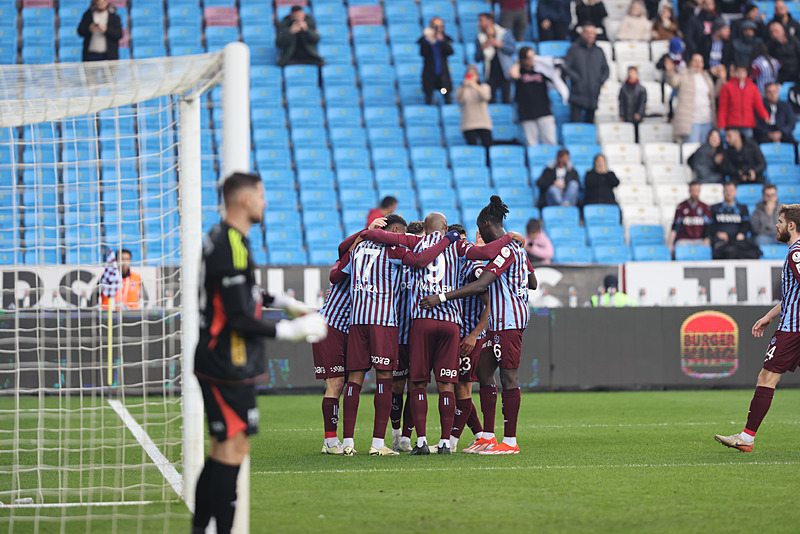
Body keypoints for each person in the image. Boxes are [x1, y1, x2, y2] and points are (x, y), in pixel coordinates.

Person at [192, 172, 327, 534]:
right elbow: (236, 314)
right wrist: (289, 330)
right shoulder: (229, 243)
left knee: (226, 451)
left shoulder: (226, 239)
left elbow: (246, 291)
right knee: (231, 453)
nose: (266, 203)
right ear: (244, 200)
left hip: (226, 359)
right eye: (262, 195)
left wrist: (284, 302)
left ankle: (203, 528)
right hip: (226, 359)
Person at [360, 214, 525, 455]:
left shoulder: (415, 242)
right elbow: (485, 255)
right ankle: (447, 442)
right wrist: (508, 238)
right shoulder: (458, 244)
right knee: (447, 383)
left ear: (424, 229)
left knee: (417, 383)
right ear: (446, 228)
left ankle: (421, 441)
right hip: (450, 322)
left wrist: (369, 229)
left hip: (422, 318)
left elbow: (374, 235)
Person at [420, 196, 537, 455]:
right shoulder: (515, 249)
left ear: (486, 223)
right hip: (498, 322)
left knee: (508, 377)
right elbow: (533, 282)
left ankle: (510, 442)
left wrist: (440, 297)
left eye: (480, 227)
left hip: (509, 320)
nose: (480, 233)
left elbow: (481, 284)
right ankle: (486, 435)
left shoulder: (506, 249)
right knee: (484, 372)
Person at [336, 214, 459, 456]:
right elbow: (422, 259)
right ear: (393, 231)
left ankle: (348, 442)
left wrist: (366, 230)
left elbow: (335, 274)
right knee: (386, 378)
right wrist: (447, 240)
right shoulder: (394, 252)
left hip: (356, 321)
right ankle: (377, 444)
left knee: (354, 379)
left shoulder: (358, 249)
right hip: (383, 322)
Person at [714, 204, 800, 452]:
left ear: (791, 226)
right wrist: (769, 316)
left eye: (781, 221)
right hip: (789, 325)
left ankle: (747, 438)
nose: (777, 225)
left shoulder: (796, 253)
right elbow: (793, 296)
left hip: (792, 331)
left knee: (767, 377)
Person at [448, 225, 490, 452]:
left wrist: (474, 335)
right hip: (456, 335)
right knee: (457, 388)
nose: (461, 245)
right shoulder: (452, 266)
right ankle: (481, 435)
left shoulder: (474, 267)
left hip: (469, 337)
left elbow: (489, 305)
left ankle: (451, 442)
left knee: (463, 387)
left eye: (464, 241)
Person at [389, 219, 424, 453]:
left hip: (420, 336)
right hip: (398, 335)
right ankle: (395, 432)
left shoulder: (429, 265)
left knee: (416, 385)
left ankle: (407, 438)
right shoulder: (396, 260)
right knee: (397, 386)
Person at [665, 53, 722, 142]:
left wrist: (721, 80)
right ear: (691, 63)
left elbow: (714, 94)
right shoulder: (684, 74)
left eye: (700, 62)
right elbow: (673, 81)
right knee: (692, 149)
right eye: (695, 61)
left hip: (707, 120)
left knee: (705, 151)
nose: (698, 64)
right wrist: (670, 71)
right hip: (692, 121)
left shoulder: (707, 77)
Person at [510, 47, 557, 146]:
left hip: (544, 111)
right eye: (528, 57)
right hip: (527, 113)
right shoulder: (520, 72)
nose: (532, 60)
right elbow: (513, 74)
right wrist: (519, 62)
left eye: (533, 57)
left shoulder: (540, 70)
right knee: (532, 144)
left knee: (550, 141)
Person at [563, 25, 610, 124]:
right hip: (577, 94)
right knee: (575, 124)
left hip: (593, 94)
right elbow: (566, 66)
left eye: (592, 33)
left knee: (590, 125)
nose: (590, 35)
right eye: (587, 33)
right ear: (582, 34)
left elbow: (606, 70)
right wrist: (577, 79)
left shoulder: (599, 51)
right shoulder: (574, 49)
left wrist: (599, 82)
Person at [709, 181, 762, 259]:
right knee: (727, 251)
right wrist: (717, 233)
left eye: (731, 190)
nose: (728, 193)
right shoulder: (715, 208)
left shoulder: (742, 208)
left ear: (735, 192)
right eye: (726, 190)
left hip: (737, 240)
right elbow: (710, 225)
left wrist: (742, 233)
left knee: (754, 250)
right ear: (723, 192)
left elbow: (746, 224)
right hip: (721, 241)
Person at [474, 13, 516, 104]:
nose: (479, 24)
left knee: (506, 100)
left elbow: (512, 49)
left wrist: (500, 45)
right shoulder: (480, 38)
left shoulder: (504, 33)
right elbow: (477, 58)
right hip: (490, 74)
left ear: (490, 21)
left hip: (504, 72)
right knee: (490, 100)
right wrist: (483, 48)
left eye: (481, 21)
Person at [717, 63, 769, 137]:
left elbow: (758, 105)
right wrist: (721, 124)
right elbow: (723, 108)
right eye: (738, 71)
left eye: (743, 71)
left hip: (747, 124)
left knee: (747, 145)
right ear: (735, 73)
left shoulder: (752, 87)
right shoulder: (727, 87)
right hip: (732, 124)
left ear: (746, 73)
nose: (740, 74)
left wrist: (765, 116)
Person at [418, 17, 454, 105]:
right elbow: (423, 53)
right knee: (429, 97)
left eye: (441, 27)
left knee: (445, 93)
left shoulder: (444, 39)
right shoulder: (425, 40)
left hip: (442, 76)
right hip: (430, 76)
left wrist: (442, 41)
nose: (438, 29)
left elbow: (450, 52)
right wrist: (427, 40)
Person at [668, 181, 712, 254]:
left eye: (697, 190)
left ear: (700, 191)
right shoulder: (681, 207)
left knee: (707, 248)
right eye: (693, 190)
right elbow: (674, 226)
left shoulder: (705, 207)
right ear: (689, 191)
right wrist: (670, 244)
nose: (695, 193)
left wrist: (707, 240)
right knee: (678, 248)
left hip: (699, 239)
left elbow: (708, 227)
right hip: (684, 239)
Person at [456, 64, 494, 147]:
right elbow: (459, 100)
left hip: (483, 123)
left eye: (474, 74)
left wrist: (475, 85)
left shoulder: (484, 87)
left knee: (488, 147)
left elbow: (486, 97)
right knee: (473, 148)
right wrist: (464, 86)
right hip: (468, 124)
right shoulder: (461, 89)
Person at [618, 66, 647, 141]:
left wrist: (639, 113)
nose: (631, 75)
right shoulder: (623, 89)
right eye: (629, 72)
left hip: (637, 118)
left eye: (633, 73)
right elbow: (621, 103)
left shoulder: (641, 89)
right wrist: (621, 114)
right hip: (627, 115)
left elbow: (642, 103)